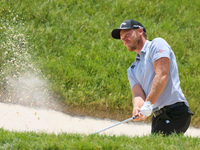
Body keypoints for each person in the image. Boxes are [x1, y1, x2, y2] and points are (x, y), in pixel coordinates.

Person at [111, 19, 193, 135]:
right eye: (122, 37)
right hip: (158, 116)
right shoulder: (132, 70)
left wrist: (148, 103)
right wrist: (138, 107)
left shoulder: (157, 44)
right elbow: (138, 94)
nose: (124, 39)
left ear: (140, 31)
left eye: (127, 34)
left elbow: (162, 75)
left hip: (175, 111)